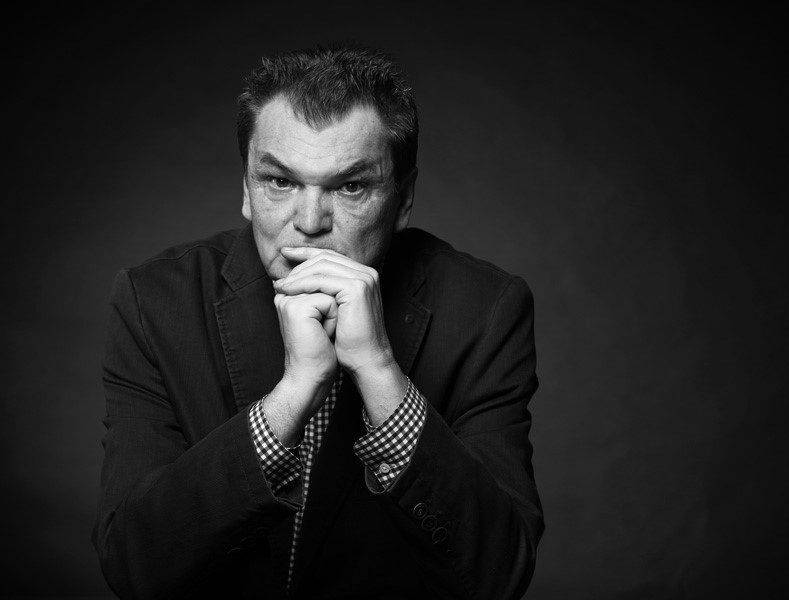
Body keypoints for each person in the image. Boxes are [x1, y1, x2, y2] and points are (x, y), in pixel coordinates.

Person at [93, 46, 543, 599]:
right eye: (279, 182)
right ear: (246, 190)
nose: (308, 223)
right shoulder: (155, 302)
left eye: (350, 187)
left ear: (403, 200)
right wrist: (293, 395)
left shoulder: (485, 310)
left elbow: (498, 575)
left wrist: (379, 372)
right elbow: (135, 566)